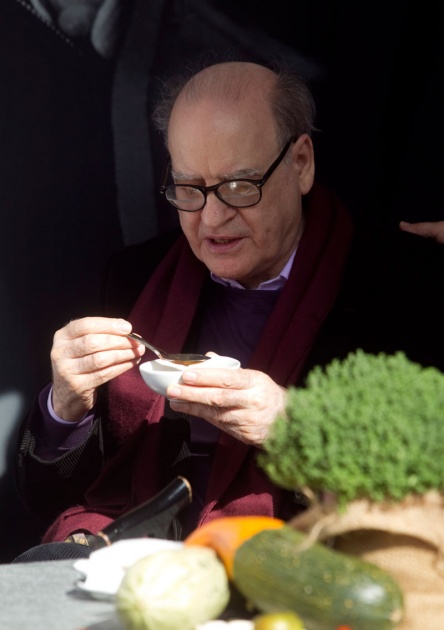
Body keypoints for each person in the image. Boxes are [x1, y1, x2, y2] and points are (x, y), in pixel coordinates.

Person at [15, 59, 444, 560]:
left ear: (301, 163)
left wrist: (297, 427)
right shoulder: (135, 277)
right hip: (131, 558)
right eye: (189, 189)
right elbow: (48, 497)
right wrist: (63, 408)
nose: (213, 218)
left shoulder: (405, 281)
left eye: (240, 186)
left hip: (307, 563)